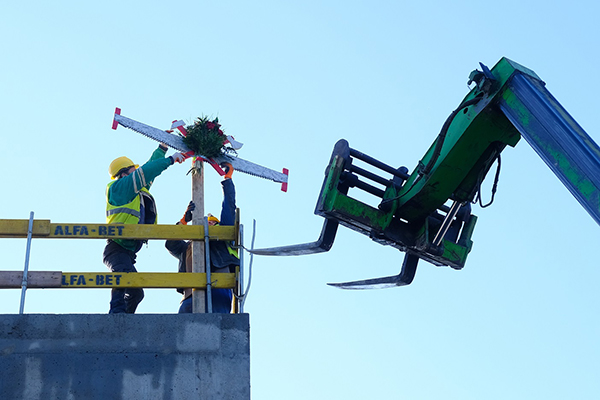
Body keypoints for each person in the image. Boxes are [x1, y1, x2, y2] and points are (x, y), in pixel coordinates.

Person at [103, 144, 186, 314]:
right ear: (124, 173)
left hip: (127, 252)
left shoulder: (136, 190)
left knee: (137, 293)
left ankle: (125, 320)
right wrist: (170, 159)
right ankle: (115, 316)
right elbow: (145, 172)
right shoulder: (118, 189)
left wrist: (162, 148)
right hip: (116, 248)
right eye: (134, 169)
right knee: (122, 276)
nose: (137, 171)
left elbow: (149, 170)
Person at [166, 163, 240, 313]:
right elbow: (170, 243)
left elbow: (229, 208)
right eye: (207, 221)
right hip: (190, 295)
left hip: (218, 289)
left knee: (217, 330)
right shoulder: (187, 246)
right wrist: (184, 220)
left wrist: (227, 180)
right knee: (183, 331)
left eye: (213, 222)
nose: (210, 223)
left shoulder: (222, 238)